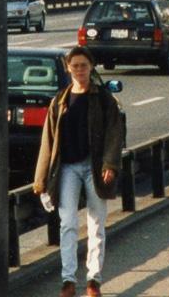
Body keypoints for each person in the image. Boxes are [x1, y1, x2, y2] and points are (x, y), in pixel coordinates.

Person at [33, 46, 124, 297]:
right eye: (75, 66)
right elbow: (48, 142)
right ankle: (68, 281)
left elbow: (114, 134)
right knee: (68, 224)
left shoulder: (103, 99)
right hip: (68, 169)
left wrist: (110, 165)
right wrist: (40, 180)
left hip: (94, 167)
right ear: (68, 68)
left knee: (96, 224)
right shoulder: (60, 101)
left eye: (84, 65)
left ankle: (94, 280)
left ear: (91, 67)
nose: (80, 70)